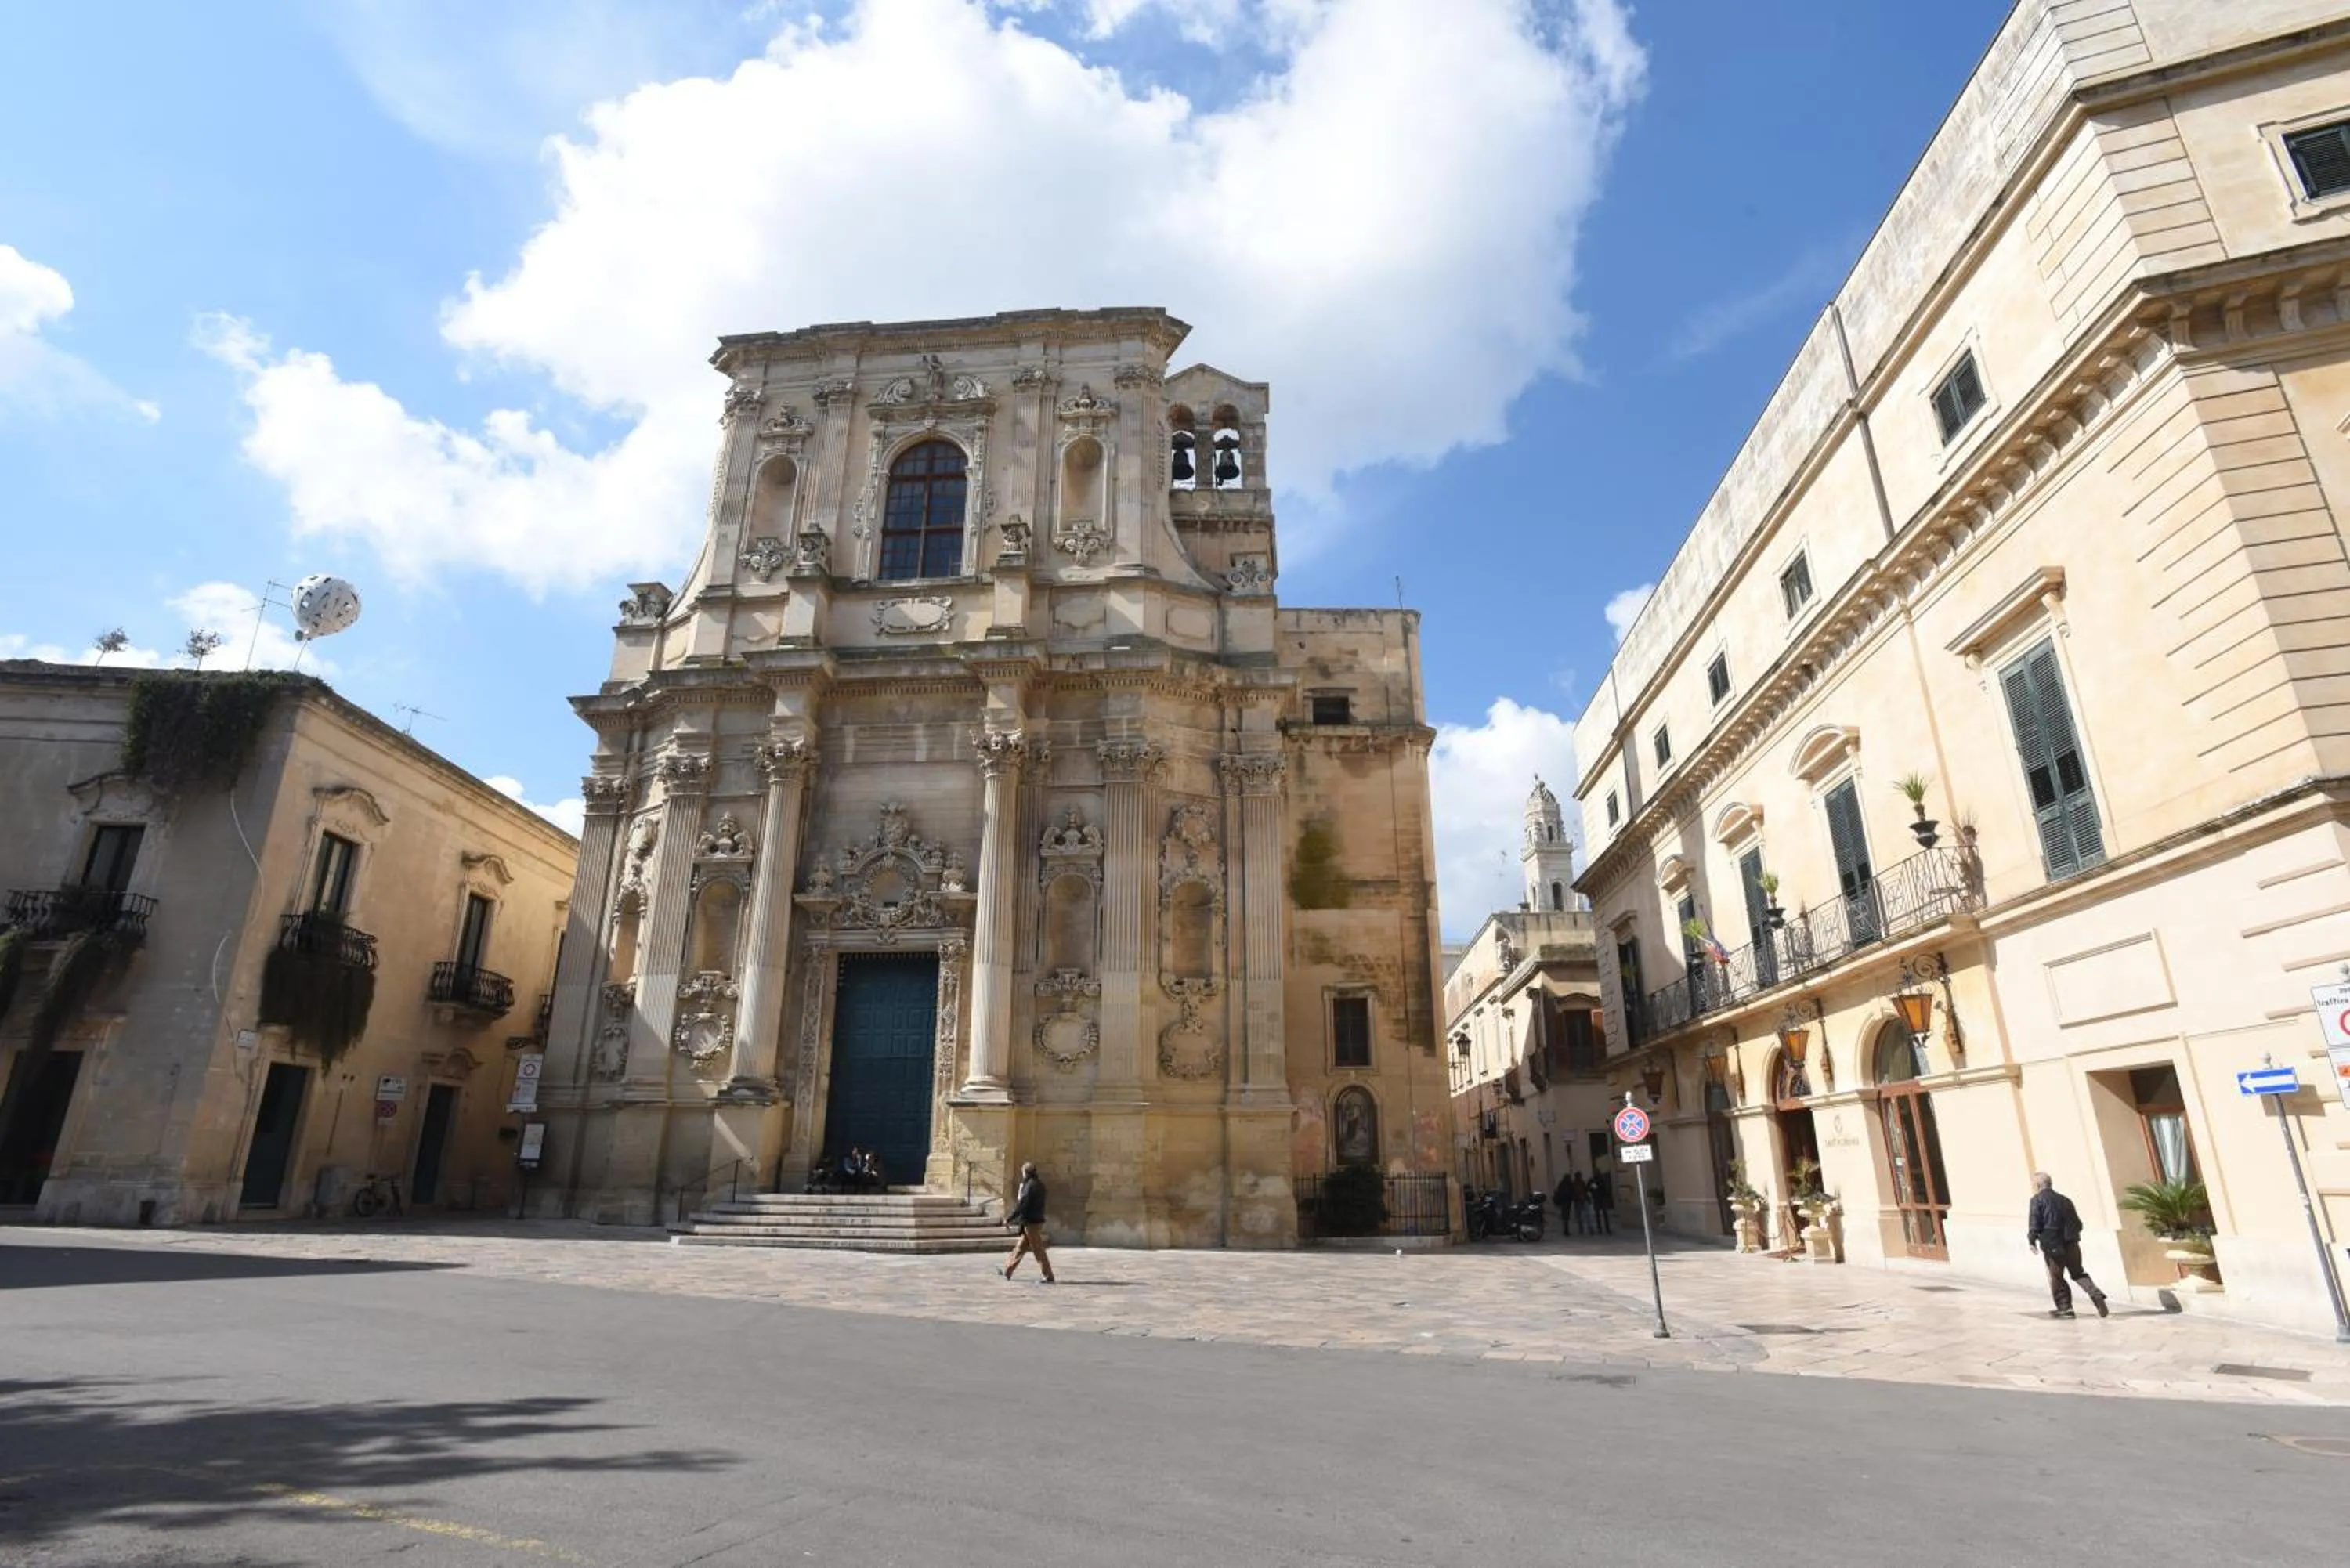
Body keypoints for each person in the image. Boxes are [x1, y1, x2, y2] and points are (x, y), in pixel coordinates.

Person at [2026, 1171, 2108, 1318]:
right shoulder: (2065, 1200)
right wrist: (2072, 1237)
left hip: (2053, 1245)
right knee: (2078, 1273)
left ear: (2038, 1185)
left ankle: (2065, 1308)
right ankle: (2096, 1294)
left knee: (2056, 1276)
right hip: (2072, 1244)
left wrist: (2032, 1240)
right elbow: (2078, 1224)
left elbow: (2035, 1222)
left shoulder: (2037, 1200)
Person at [1003, 1161, 1055, 1283]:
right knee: (1020, 1247)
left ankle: (1048, 1276)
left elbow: (1022, 1204)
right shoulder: (1040, 1185)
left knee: (1038, 1250)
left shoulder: (1030, 1186)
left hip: (1031, 1222)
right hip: (1035, 1221)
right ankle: (1008, 1270)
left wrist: (1010, 1218)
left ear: (1025, 1173)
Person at [1589, 1168, 1614, 1234]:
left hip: (1600, 1198)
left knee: (1602, 1215)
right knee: (1601, 1215)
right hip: (1599, 1199)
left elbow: (1604, 1188)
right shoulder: (1595, 1180)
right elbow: (1590, 1188)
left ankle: (1603, 1229)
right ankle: (1603, 1229)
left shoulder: (1597, 1180)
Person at [1553, 1171, 1578, 1237]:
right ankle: (1566, 1230)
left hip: (1565, 1202)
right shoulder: (1568, 1184)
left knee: (1565, 1216)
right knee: (1566, 1216)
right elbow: (1572, 1192)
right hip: (1566, 1202)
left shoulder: (1563, 1184)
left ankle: (1566, 1229)